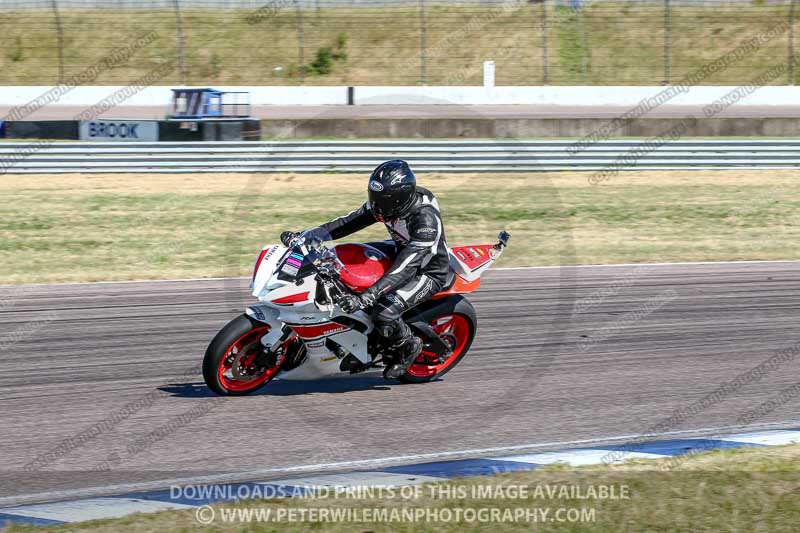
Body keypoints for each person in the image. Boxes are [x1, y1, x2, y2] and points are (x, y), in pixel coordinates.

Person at [280, 160, 450, 379]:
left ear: (399, 198)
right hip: (400, 251)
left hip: (427, 270)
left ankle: (408, 346)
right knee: (335, 263)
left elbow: (407, 266)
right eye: (374, 198)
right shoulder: (385, 205)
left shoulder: (425, 221)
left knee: (383, 312)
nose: (376, 206)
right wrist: (306, 236)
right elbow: (346, 223)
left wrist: (367, 297)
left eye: (383, 201)